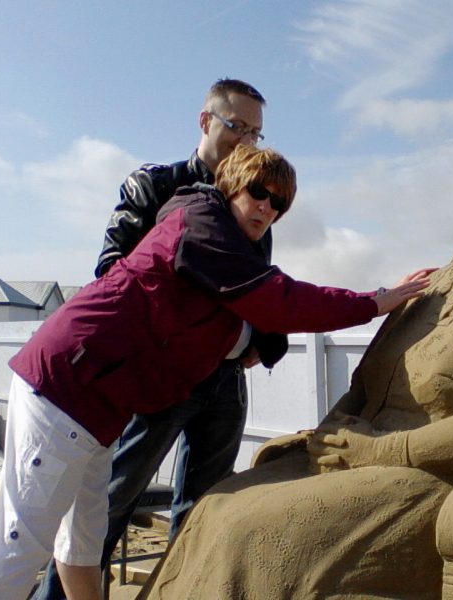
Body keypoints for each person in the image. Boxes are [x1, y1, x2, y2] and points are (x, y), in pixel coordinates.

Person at [0, 144, 432, 600]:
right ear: (230, 184)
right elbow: (278, 300)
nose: (267, 208)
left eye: (279, 203)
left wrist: (259, 341)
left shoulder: (219, 245)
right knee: (20, 545)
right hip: (65, 387)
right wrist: (375, 302)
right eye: (258, 192)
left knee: (83, 537)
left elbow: (247, 317)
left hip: (96, 404)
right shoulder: (204, 225)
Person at [145, 207, 453, 600]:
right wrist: (327, 438)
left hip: (438, 472)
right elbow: (362, 391)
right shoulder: (433, 287)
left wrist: (383, 450)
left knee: (259, 533)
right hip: (364, 462)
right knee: (218, 504)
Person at [33, 78, 285, 600]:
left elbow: (256, 289)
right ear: (206, 121)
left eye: (257, 133)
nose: (247, 142)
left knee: (204, 514)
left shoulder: (254, 198)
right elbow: (111, 274)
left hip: (223, 382)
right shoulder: (154, 185)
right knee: (104, 509)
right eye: (237, 126)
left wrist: (264, 333)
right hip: (155, 383)